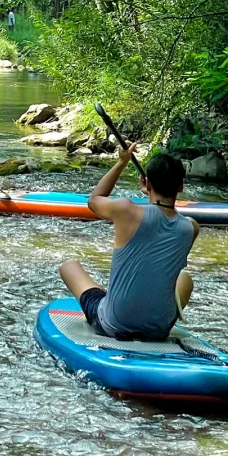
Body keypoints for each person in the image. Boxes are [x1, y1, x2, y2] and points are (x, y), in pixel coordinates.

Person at [58, 145, 197, 340]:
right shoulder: (190, 228)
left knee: (69, 266)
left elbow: (94, 200)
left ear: (147, 184)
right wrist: (150, 193)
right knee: (185, 278)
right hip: (159, 330)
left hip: (114, 325)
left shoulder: (127, 210)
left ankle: (114, 301)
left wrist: (121, 162)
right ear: (180, 187)